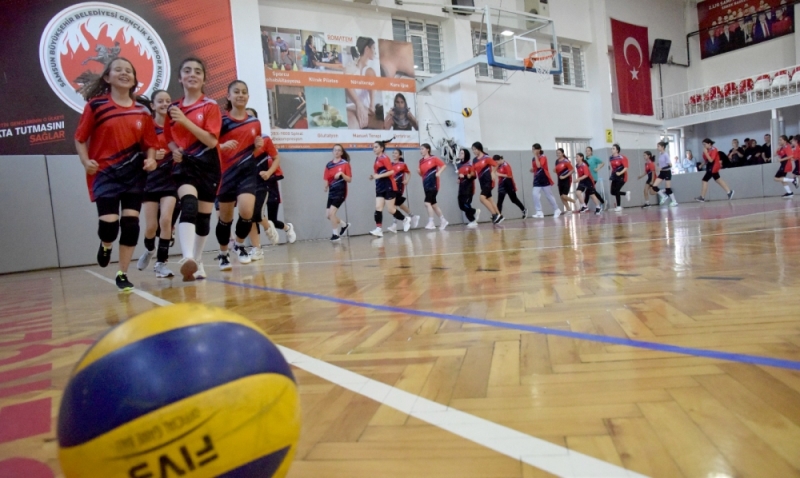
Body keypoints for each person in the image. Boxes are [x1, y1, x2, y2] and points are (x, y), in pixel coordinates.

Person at [74, 57, 157, 291]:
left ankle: (122, 273)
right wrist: (85, 161)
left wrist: (151, 158)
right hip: (105, 173)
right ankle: (106, 244)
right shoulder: (96, 106)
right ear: (107, 78)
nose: (124, 73)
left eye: (129, 70)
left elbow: (150, 143)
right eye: (118, 69)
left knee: (131, 225)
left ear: (134, 80)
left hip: (134, 174)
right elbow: (80, 138)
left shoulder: (143, 111)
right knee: (110, 227)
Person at [164, 57, 222, 281]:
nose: (192, 74)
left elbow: (211, 141)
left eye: (198, 71)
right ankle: (187, 257)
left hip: (208, 165)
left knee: (204, 217)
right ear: (180, 78)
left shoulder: (210, 106)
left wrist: (185, 121)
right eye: (187, 71)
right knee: (189, 204)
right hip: (185, 165)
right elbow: (169, 138)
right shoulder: (173, 109)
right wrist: (175, 150)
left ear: (204, 79)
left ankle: (197, 260)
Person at [214, 80, 262, 271]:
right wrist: (221, 146)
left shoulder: (255, 122)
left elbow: (253, 151)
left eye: (244, 92)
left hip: (247, 173)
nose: (240, 95)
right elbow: (209, 146)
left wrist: (257, 147)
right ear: (228, 96)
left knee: (247, 212)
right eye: (236, 92)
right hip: (226, 174)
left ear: (248, 96)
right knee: (225, 219)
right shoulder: (221, 121)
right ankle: (223, 253)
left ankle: (240, 245)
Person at [137, 89, 176, 279]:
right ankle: (150, 250)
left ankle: (161, 263)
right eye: (160, 101)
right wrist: (150, 155)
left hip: (170, 180)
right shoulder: (147, 127)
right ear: (152, 105)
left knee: (166, 221)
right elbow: (137, 151)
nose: (165, 104)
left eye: (168, 101)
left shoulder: (175, 127)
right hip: (150, 180)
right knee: (151, 227)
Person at [369, 139, 406, 237]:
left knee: (391, 209)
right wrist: (374, 176)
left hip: (388, 185)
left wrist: (379, 176)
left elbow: (391, 172)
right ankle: (378, 229)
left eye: (376, 147)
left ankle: (405, 219)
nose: (374, 149)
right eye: (373, 147)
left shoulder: (385, 158)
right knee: (378, 207)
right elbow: (379, 172)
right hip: (380, 186)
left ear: (381, 148)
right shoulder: (377, 159)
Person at [346, 37, 377, 129]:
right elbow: (347, 85)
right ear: (367, 49)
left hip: (365, 109)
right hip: (352, 108)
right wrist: (358, 103)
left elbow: (372, 107)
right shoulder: (350, 68)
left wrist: (371, 107)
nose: (375, 52)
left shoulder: (369, 71)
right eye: (374, 48)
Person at [324, 144, 352, 241]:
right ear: (333, 151)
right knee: (328, 215)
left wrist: (342, 174)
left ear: (341, 152)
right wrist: (326, 186)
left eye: (339, 150)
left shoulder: (345, 164)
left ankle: (335, 235)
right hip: (332, 192)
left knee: (332, 214)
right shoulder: (329, 165)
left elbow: (349, 179)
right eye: (335, 150)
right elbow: (326, 178)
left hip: (341, 191)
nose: (337, 152)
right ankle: (344, 225)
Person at [471, 142, 503, 224]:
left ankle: (494, 215)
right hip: (482, 182)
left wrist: (493, 172)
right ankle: (499, 216)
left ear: (479, 149)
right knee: (490, 199)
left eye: (475, 149)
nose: (473, 151)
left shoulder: (486, 157)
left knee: (482, 198)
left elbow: (496, 164)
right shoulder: (474, 160)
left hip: (488, 181)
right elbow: (473, 172)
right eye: (472, 150)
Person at [418, 143, 448, 230]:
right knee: (433, 204)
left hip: (433, 184)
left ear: (428, 149)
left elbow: (443, 165)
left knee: (427, 203)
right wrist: (419, 172)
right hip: (425, 185)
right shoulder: (421, 161)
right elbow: (422, 174)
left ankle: (431, 222)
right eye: (420, 149)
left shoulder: (434, 158)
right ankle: (443, 220)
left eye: (422, 149)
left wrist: (439, 172)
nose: (421, 151)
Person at [695, 138, 735, 202]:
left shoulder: (714, 149)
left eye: (705, 144)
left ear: (709, 144)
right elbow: (707, 160)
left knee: (704, 180)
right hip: (710, 166)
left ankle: (702, 197)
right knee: (718, 179)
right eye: (703, 145)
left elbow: (711, 160)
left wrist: (706, 153)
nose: (704, 146)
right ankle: (729, 191)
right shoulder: (708, 150)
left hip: (713, 167)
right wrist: (702, 165)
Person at [389, 149, 419, 232]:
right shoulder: (390, 164)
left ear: (400, 155)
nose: (394, 154)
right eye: (393, 153)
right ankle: (413, 216)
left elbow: (409, 173)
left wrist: (407, 180)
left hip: (399, 186)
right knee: (400, 205)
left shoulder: (402, 164)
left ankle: (394, 225)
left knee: (394, 205)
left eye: (396, 153)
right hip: (391, 187)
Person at [530, 143, 561, 218]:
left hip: (544, 178)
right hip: (537, 179)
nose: (533, 151)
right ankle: (539, 211)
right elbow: (535, 168)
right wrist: (532, 169)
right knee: (535, 194)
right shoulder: (533, 158)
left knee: (549, 196)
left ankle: (556, 209)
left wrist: (536, 156)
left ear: (539, 149)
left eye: (534, 149)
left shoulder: (543, 157)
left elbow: (539, 165)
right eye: (532, 149)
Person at [649, 141, 678, 207]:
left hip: (667, 172)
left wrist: (662, 168)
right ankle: (663, 196)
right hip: (662, 173)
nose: (657, 147)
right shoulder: (660, 154)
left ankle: (674, 201)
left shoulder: (666, 155)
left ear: (662, 147)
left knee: (668, 188)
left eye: (658, 146)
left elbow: (670, 165)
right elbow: (662, 163)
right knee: (654, 186)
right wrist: (658, 165)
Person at [456, 148, 479, 228]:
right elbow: (460, 175)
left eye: (462, 153)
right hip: (461, 187)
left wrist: (464, 176)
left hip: (469, 188)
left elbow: (474, 176)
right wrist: (459, 179)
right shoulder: (459, 165)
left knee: (466, 204)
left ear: (466, 154)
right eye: (460, 153)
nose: (460, 154)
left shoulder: (470, 164)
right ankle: (474, 211)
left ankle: (472, 220)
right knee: (461, 206)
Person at [554, 148, 578, 213]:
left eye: (559, 153)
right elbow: (558, 170)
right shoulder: (556, 161)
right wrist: (555, 170)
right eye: (557, 153)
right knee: (561, 197)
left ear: (562, 153)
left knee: (564, 196)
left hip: (567, 180)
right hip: (560, 180)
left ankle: (575, 201)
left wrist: (564, 176)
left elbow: (572, 170)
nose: (558, 154)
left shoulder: (566, 161)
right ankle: (568, 209)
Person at [609, 144, 631, 212]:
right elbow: (613, 168)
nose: (612, 150)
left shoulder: (622, 157)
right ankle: (625, 193)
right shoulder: (611, 158)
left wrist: (620, 173)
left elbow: (626, 167)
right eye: (612, 148)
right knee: (612, 192)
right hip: (614, 176)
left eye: (613, 148)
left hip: (622, 176)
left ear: (617, 150)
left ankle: (618, 206)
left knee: (616, 191)